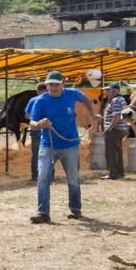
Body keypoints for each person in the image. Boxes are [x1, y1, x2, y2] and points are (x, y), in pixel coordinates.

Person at [27, 70, 97, 223]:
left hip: (70, 145)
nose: (53, 87)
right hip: (48, 145)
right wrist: (39, 124)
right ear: (47, 85)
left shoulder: (71, 94)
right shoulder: (41, 101)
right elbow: (32, 122)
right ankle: (43, 213)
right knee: (43, 178)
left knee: (72, 178)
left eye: (56, 84)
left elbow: (84, 97)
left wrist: (92, 113)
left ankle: (76, 209)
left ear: (62, 84)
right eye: (50, 84)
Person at [101, 82, 129, 180]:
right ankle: (120, 173)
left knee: (111, 152)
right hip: (119, 129)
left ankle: (112, 173)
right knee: (117, 151)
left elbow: (116, 116)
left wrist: (109, 128)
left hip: (114, 130)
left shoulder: (116, 100)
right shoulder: (121, 100)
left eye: (108, 90)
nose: (106, 92)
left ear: (114, 91)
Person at [26, 82, 47, 181]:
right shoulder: (50, 99)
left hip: (35, 130)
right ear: (46, 89)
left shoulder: (32, 100)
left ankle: (35, 176)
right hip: (48, 130)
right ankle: (49, 175)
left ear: (37, 91)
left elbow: (26, 116)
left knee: (36, 153)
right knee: (50, 153)